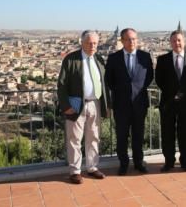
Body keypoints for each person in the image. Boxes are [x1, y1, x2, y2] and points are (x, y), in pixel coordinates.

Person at [57, 30, 109, 184]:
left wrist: (107, 105)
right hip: (76, 103)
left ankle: (92, 167)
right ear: (82, 42)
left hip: (95, 103)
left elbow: (104, 84)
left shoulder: (98, 59)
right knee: (75, 138)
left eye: (95, 43)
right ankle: (75, 171)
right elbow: (61, 85)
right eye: (89, 43)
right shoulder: (71, 59)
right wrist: (66, 106)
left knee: (93, 137)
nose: (92, 45)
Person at [105, 28, 153, 175]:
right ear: (122, 41)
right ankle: (124, 164)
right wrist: (123, 92)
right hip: (121, 104)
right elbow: (109, 80)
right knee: (122, 136)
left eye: (134, 39)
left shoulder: (145, 56)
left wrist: (137, 89)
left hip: (140, 103)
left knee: (138, 135)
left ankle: (139, 162)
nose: (131, 42)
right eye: (128, 39)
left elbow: (149, 76)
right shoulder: (114, 58)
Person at [155, 29, 186, 172]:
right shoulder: (162, 59)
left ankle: (185, 161)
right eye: (174, 40)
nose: (176, 43)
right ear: (170, 43)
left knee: (184, 133)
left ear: (184, 42)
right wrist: (173, 94)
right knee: (167, 134)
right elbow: (159, 80)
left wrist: (184, 95)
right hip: (168, 102)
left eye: (179, 40)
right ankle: (169, 162)